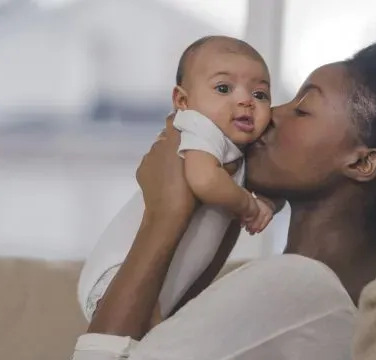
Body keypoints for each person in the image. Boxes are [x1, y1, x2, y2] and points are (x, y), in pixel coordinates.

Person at [72, 41, 376, 360]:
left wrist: (165, 215)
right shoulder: (315, 293)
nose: (270, 115)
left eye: (303, 109)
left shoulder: (301, 287)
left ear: (362, 162)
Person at [78, 36, 279, 323]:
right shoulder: (198, 127)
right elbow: (205, 180)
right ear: (183, 101)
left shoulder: (239, 150)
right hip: (118, 275)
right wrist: (249, 206)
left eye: (260, 95)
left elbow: (274, 186)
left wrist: (269, 203)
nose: (246, 100)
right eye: (224, 88)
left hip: (162, 283)